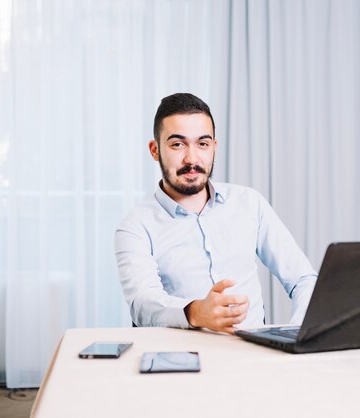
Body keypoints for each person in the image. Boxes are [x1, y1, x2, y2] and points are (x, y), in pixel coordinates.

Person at [114, 93, 317, 334]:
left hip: (253, 354)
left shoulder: (250, 203)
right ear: (155, 150)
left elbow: (304, 279)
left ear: (214, 147)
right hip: (181, 360)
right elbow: (142, 303)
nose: (192, 159)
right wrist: (195, 312)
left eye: (203, 143)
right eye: (177, 144)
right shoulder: (135, 226)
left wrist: (298, 334)